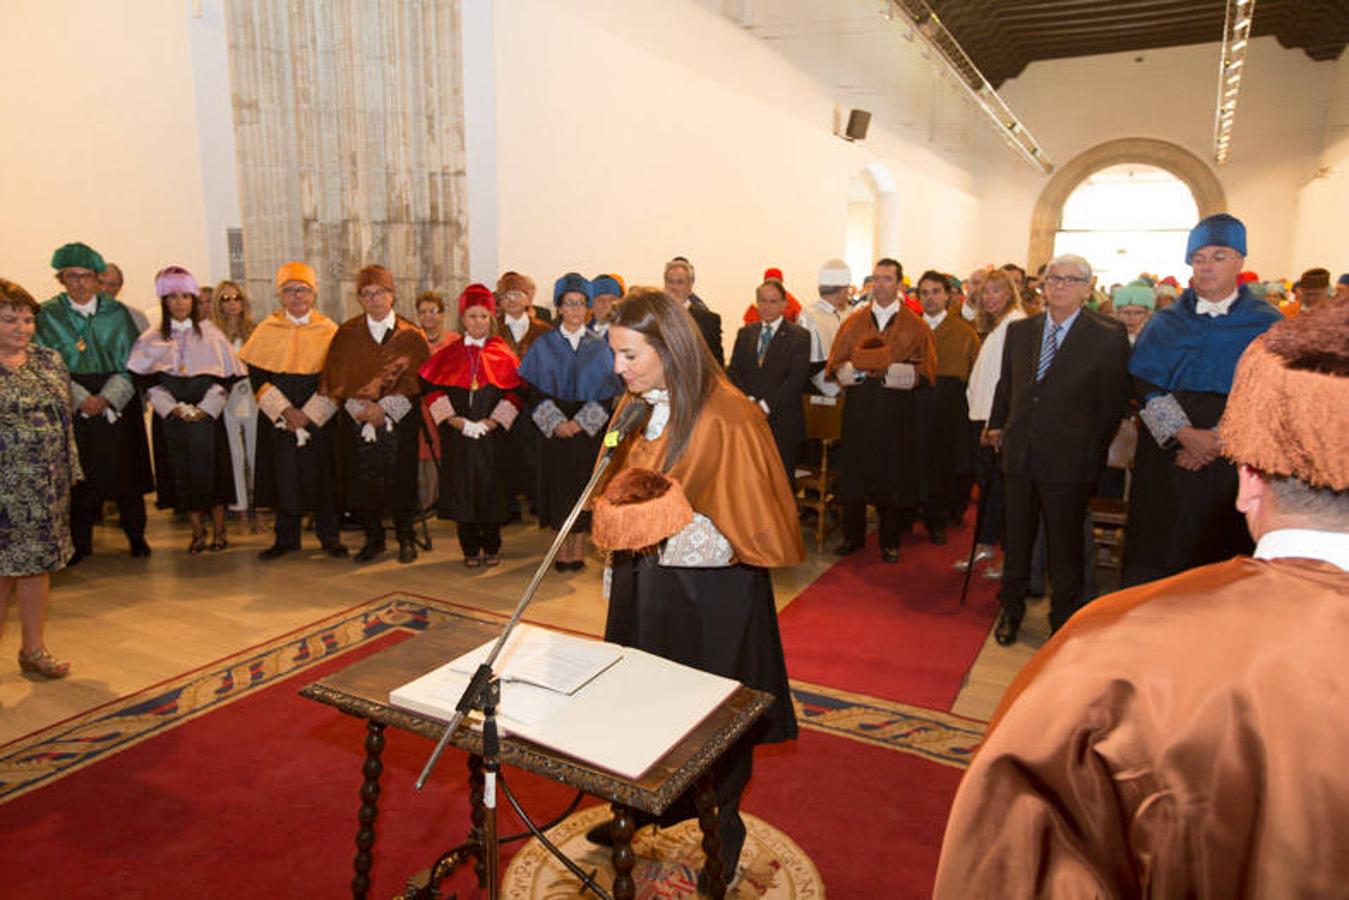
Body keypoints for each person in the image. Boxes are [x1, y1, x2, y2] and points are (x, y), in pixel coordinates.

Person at [934, 302, 1349, 898]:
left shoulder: (1115, 645)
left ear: (1250, 480)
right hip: (1158, 462)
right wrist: (1180, 433)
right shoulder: (1151, 329)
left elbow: (1022, 842)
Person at [588, 286, 803, 885]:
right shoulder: (635, 404)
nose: (618, 368)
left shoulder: (727, 414)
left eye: (630, 355)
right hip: (646, 584)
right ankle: (636, 811)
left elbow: (753, 525)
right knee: (636, 704)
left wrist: (665, 534)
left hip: (710, 597)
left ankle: (721, 829)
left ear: (669, 346)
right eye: (615, 354)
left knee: (710, 720)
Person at [1122, 214, 1282, 587]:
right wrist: (1183, 435)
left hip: (1232, 459)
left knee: (1217, 554)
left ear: (1240, 261)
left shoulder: (1267, 323)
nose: (1207, 266)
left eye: (1219, 256)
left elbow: (1273, 394)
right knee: (1157, 545)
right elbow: (1145, 386)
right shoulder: (1164, 322)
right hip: (1166, 457)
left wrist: (1218, 438)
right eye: (1199, 258)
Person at [986, 254, 1130, 644]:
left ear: (1088, 286)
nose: (1060, 286)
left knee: (1065, 544)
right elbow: (1007, 385)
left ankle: (1062, 618)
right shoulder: (1022, 330)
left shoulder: (1107, 334)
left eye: (1071, 280)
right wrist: (998, 424)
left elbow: (1112, 404)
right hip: (1020, 453)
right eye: (1053, 279)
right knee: (1016, 538)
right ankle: (1011, 608)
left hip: (1070, 459)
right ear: (1043, 284)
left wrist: (1089, 449)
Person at [35, 241, 153, 561]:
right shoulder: (48, 314)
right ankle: (80, 542)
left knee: (126, 471)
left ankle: (136, 536)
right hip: (73, 397)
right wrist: (80, 398)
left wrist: (107, 398)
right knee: (80, 474)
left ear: (97, 279)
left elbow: (134, 361)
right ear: (61, 278)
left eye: (86, 276)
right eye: (72, 276)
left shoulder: (116, 313)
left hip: (116, 398)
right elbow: (43, 363)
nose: (80, 283)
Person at [826, 258, 936, 563]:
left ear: (900, 285)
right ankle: (853, 536)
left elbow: (925, 370)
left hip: (895, 409)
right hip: (860, 406)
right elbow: (835, 363)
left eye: (887, 279)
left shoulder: (916, 325)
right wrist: (856, 369)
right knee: (854, 472)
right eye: (876, 279)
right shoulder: (853, 321)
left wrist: (891, 370)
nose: (881, 285)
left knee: (892, 473)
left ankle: (889, 539)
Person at [319, 265, 431, 564]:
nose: (375, 299)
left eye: (380, 292)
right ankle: (373, 538)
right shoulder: (346, 334)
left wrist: (385, 409)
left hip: (400, 420)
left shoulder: (411, 335)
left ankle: (406, 537)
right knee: (363, 480)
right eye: (367, 294)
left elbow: (420, 382)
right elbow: (337, 382)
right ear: (359, 299)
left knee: (402, 478)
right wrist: (363, 411)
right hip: (358, 421)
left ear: (392, 295)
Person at [128, 267, 245, 553]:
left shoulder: (211, 333)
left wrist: (207, 407)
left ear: (193, 300)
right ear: (163, 301)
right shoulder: (151, 337)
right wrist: (173, 408)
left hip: (207, 415)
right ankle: (196, 532)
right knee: (183, 474)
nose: (179, 303)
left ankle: (219, 530)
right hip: (173, 418)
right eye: (172, 297)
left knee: (213, 473)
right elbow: (145, 379)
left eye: (185, 296)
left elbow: (227, 377)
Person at [237, 262, 346, 560]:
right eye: (289, 290)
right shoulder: (266, 329)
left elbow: (336, 377)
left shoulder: (329, 329)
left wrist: (309, 414)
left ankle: (330, 536)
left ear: (313, 294)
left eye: (303, 290)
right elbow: (258, 377)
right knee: (283, 475)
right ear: (280, 295)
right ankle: (286, 538)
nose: (297, 296)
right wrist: (286, 411)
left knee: (323, 476)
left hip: (318, 415)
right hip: (280, 417)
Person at [0, 278, 80, 679]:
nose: (21, 328)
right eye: (10, 320)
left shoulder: (49, 359)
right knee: (2, 574)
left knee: (37, 568)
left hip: (45, 487)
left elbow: (64, 419)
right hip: (4, 490)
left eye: (28, 320)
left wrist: (69, 471)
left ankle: (33, 650)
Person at [518, 273, 623, 571]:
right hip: (554, 431)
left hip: (586, 433)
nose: (575, 310)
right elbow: (534, 392)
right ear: (559, 308)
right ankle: (560, 550)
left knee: (582, 489)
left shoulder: (600, 346)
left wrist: (579, 424)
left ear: (588, 308)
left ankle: (577, 549)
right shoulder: (544, 344)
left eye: (581, 304)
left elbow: (606, 395)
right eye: (569, 304)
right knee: (558, 489)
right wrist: (556, 423)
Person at [420, 284, 520, 567]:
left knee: (491, 490)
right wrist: (454, 420)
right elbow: (431, 388)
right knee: (462, 492)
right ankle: (469, 548)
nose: (478, 322)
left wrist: (493, 421)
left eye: (484, 317)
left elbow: (516, 392)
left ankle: (491, 544)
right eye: (472, 316)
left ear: (492, 320)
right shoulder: (449, 353)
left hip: (492, 437)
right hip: (458, 435)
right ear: (463, 319)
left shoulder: (503, 352)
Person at [957, 269, 1026, 578]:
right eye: (985, 292)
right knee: (988, 488)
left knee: (1003, 492)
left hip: (996, 421)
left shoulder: (1016, 324)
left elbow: (1008, 381)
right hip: (983, 415)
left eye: (996, 291)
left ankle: (1006, 556)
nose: (989, 298)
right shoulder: (997, 325)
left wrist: (996, 424)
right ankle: (985, 544)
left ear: (1010, 293)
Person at [914, 270, 980, 545]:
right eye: (924, 293)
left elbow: (973, 375)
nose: (930, 299)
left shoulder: (965, 333)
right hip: (913, 407)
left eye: (936, 292)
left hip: (948, 409)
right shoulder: (909, 329)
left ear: (947, 295)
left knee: (942, 466)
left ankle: (937, 519)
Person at [726, 278, 811, 484]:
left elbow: (796, 379)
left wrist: (765, 406)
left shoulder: (799, 336)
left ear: (784, 304)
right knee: (749, 481)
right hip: (749, 419)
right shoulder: (746, 333)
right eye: (762, 301)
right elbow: (734, 373)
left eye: (773, 301)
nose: (767, 306)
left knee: (780, 482)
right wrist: (750, 402)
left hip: (783, 422)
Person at [497, 271, 553, 522]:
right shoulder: (492, 328)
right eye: (506, 295)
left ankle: (537, 499)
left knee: (536, 450)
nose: (512, 300)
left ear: (528, 298)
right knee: (505, 450)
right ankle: (508, 504)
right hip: (503, 398)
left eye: (517, 294)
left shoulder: (544, 330)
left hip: (536, 399)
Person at [212, 280, 258, 513]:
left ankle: (259, 508)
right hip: (225, 397)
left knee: (255, 453)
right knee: (234, 455)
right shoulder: (212, 333)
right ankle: (240, 509)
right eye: (225, 299)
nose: (232, 304)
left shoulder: (254, 330)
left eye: (236, 298)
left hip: (251, 396)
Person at [799, 259, 852, 396]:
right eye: (847, 289)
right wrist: (836, 391)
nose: (848, 293)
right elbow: (810, 365)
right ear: (840, 291)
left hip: (849, 388)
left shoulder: (849, 313)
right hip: (820, 395)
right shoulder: (809, 315)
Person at [663, 257, 723, 366]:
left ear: (690, 286)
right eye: (670, 281)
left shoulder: (709, 321)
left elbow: (716, 365)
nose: (674, 287)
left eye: (680, 282)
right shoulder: (655, 317)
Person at [1112, 279, 1155, 344]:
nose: (1131, 317)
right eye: (1126, 312)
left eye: (1138, 313)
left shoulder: (1155, 340)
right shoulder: (1108, 340)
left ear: (1148, 315)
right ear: (1117, 314)